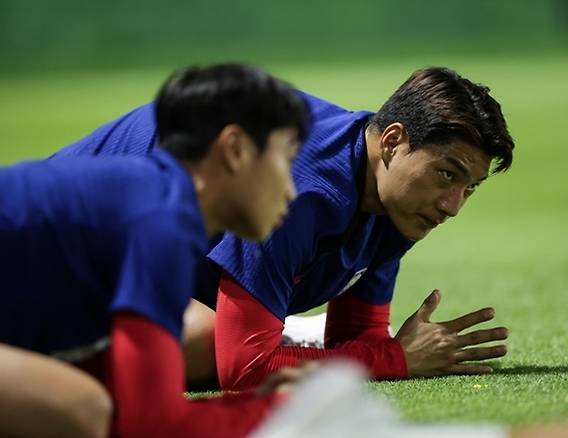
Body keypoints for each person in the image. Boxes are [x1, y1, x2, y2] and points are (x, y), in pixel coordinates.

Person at [55, 66, 515, 391]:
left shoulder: (396, 199)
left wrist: (382, 353)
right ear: (393, 142)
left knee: (207, 337)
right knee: (202, 344)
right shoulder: (300, 189)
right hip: (56, 258)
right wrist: (397, 359)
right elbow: (245, 368)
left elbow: (356, 338)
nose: (453, 206)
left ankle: (279, 328)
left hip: (136, 270)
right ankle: (280, 329)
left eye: (470, 188)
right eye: (448, 174)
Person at [0, 63, 308, 438]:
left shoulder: (152, 198)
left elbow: (135, 411)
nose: (292, 190)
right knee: (82, 409)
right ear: (236, 149)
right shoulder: (162, 220)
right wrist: (281, 412)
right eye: (287, 159)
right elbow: (151, 425)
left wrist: (253, 406)